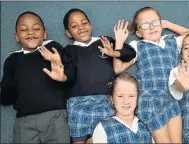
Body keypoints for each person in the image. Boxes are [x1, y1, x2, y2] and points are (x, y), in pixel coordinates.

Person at [39, 8, 136, 143]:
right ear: (68, 33)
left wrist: (114, 52)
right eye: (74, 26)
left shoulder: (104, 41)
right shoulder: (68, 51)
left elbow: (130, 53)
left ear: (90, 25)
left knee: (108, 137)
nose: (81, 28)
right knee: (78, 140)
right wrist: (63, 78)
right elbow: (70, 75)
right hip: (78, 104)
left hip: (106, 101)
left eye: (84, 23)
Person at [115, 6, 189, 143]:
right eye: (145, 25)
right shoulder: (138, 46)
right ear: (139, 32)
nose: (151, 27)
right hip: (150, 101)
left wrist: (168, 25)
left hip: (172, 98)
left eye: (155, 22)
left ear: (161, 24)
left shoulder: (172, 40)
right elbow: (118, 68)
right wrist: (119, 42)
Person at [0, 11, 70, 143]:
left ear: (44, 34)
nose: (30, 32)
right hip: (24, 121)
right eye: (23, 29)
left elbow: (72, 73)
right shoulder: (12, 60)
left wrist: (63, 77)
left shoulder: (53, 48)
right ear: (16, 37)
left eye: (36, 28)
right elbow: (7, 96)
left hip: (55, 116)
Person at [92, 72, 153, 143]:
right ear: (112, 99)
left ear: (137, 97)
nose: (126, 101)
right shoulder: (102, 128)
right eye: (120, 96)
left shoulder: (147, 126)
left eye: (131, 96)